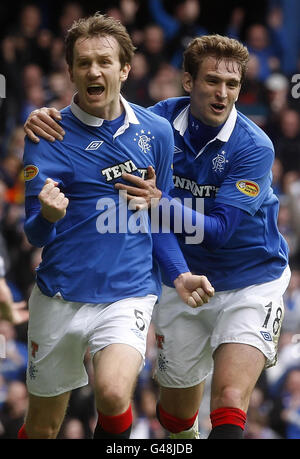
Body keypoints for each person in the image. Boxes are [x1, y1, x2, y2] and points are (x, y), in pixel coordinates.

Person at [24, 34, 290, 439]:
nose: (223, 94)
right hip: (177, 281)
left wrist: (158, 203)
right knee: (176, 416)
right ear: (188, 82)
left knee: (230, 397)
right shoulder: (156, 125)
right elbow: (106, 119)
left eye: (232, 85)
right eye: (212, 82)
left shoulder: (254, 146)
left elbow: (217, 231)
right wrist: (40, 114)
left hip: (249, 278)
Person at [19, 13, 214, 440]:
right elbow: (33, 233)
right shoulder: (45, 134)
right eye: (84, 62)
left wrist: (178, 273)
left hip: (128, 293)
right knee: (42, 427)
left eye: (104, 61)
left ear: (124, 68)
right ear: (69, 70)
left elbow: (155, 213)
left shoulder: (157, 132)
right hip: (60, 295)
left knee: (112, 394)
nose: (94, 70)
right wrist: (48, 216)